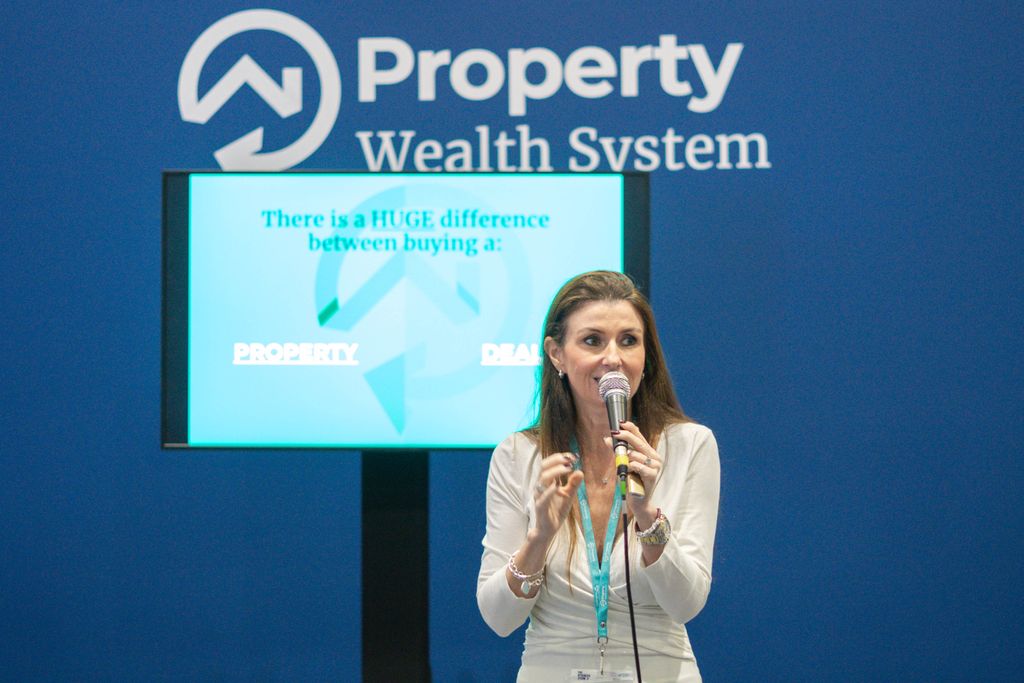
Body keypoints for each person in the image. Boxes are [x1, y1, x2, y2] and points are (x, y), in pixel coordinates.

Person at [477, 270, 720, 682]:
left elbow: (686, 604)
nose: (613, 358)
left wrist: (647, 517)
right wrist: (538, 538)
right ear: (557, 354)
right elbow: (499, 618)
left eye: (629, 340)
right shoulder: (518, 455)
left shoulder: (690, 445)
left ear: (647, 355)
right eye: (592, 340)